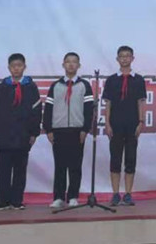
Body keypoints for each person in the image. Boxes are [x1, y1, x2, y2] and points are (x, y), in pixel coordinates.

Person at [0, 53, 42, 211]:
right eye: (13, 66)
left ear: (24, 67)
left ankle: (17, 200)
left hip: (23, 136)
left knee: (20, 171)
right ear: (9, 68)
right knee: (3, 171)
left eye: (19, 65)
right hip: (3, 136)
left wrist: (34, 133)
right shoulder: (3, 87)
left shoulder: (31, 87)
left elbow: (37, 111)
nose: (16, 68)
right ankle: (2, 200)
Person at [43, 52, 94, 209]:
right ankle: (58, 197)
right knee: (60, 166)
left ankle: (73, 196)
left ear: (79, 65)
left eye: (74, 62)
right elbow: (48, 109)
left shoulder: (84, 86)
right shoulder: (55, 86)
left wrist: (85, 129)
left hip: (77, 131)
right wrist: (48, 129)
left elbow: (89, 110)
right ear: (63, 65)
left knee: (75, 166)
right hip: (59, 130)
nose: (71, 64)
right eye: (68, 62)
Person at [103, 45, 147, 207]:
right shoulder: (111, 80)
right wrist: (107, 123)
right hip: (115, 125)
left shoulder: (138, 80)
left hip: (132, 124)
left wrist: (141, 122)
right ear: (117, 59)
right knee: (115, 160)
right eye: (122, 56)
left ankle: (128, 194)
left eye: (128, 56)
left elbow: (141, 102)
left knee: (130, 159)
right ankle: (115, 194)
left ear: (132, 58)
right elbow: (108, 104)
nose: (125, 59)